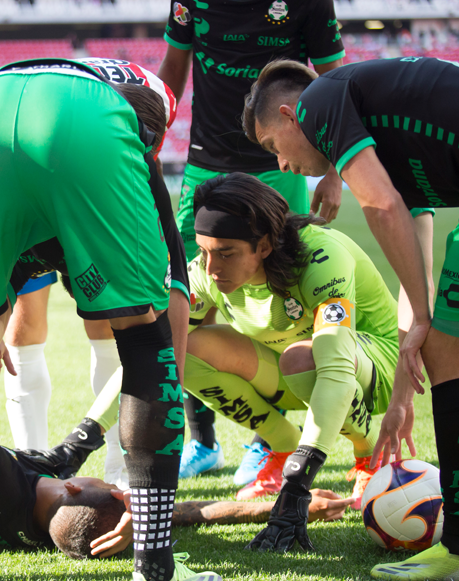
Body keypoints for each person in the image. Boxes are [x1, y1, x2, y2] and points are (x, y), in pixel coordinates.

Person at [0, 57, 210, 581]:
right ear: (146, 135)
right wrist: (156, 496)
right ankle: (155, 567)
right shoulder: (126, 132)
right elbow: (168, 328)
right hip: (79, 126)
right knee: (145, 340)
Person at [242, 56, 459, 580]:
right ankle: (455, 549)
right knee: (445, 344)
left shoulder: (320, 100)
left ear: (293, 117)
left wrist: (424, 319)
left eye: (273, 146)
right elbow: (418, 266)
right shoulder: (394, 146)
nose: (280, 166)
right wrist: (402, 399)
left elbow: (380, 207)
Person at [156, 0, 347, 482]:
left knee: (281, 293)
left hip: (280, 164)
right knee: (186, 294)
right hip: (205, 160)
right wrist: (151, 141)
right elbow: (174, 65)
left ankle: (269, 441)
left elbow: (335, 80)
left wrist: (336, 168)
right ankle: (200, 440)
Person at [0, 397, 353, 561]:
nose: (125, 489)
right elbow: (189, 514)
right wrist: (289, 506)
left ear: (75, 485)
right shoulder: (40, 526)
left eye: (117, 489)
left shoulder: (4, 482)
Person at [183, 173, 396, 516]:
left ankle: (370, 454)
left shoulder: (320, 257)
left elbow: (336, 367)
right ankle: (282, 446)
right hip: (295, 370)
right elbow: (155, 353)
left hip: (374, 373)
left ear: (264, 246)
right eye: (204, 251)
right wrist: (89, 433)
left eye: (226, 254)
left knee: (305, 357)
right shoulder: (204, 273)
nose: (212, 268)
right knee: (181, 350)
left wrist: (301, 476)